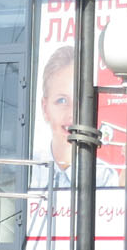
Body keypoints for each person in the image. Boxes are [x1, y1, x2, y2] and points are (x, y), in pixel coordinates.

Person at [29, 45, 121, 192]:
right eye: (61, 101)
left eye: (80, 101)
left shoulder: (104, 176)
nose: (72, 114)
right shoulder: (29, 169)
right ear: (45, 108)